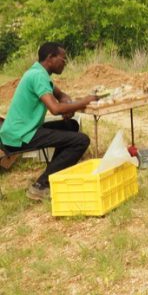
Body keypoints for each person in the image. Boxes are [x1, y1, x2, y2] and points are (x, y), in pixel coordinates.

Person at [0, 42, 99, 200]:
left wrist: (67, 102)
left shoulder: (39, 72)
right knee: (81, 141)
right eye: (63, 59)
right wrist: (86, 100)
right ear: (51, 58)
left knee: (71, 125)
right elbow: (55, 109)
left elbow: (61, 96)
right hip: (19, 135)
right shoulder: (38, 76)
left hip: (23, 130)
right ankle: (41, 185)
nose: (65, 63)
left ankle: (53, 172)